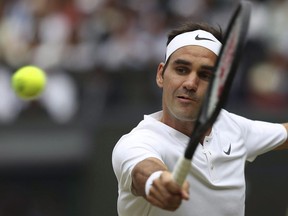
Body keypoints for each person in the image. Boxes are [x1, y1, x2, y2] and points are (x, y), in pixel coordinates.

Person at [111, 22, 288, 216]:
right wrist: (158, 182)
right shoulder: (136, 142)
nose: (190, 83)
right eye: (181, 69)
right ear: (161, 74)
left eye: (205, 75)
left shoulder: (233, 127)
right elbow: (142, 171)